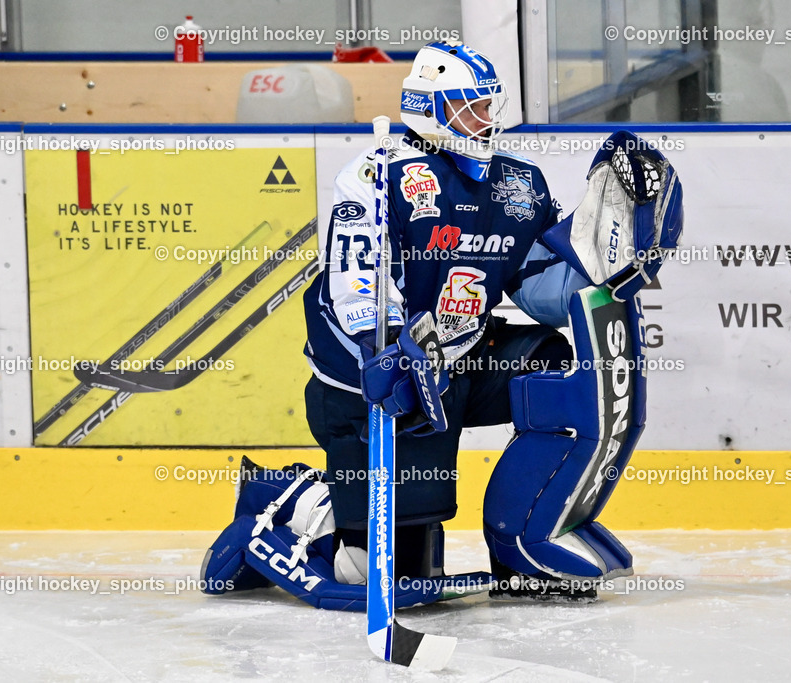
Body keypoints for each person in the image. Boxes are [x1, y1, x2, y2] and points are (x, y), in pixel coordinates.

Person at [201, 41, 683, 609]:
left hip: (462, 366)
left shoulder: (519, 184)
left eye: (490, 106)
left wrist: (612, 260)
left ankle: (524, 543)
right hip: (373, 382)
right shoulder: (378, 176)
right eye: (471, 108)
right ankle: (284, 499)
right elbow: (355, 280)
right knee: (385, 568)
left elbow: (540, 292)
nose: (487, 121)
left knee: (555, 370)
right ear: (426, 108)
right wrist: (374, 350)